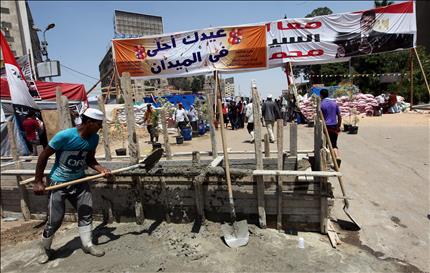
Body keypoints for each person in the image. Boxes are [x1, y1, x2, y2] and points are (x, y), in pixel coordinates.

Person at [33, 108, 112, 264]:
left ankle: (88, 244)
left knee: (86, 212)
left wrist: (101, 169)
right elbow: (43, 156)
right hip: (58, 182)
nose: (100, 127)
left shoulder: (94, 139)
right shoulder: (65, 136)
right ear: (89, 122)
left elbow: (90, 159)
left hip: (79, 181)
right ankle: (46, 249)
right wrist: (38, 181)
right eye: (98, 124)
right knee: (55, 220)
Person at [334, 9, 414, 58]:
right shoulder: (350, 40)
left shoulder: (382, 36)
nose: (367, 24)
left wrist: (372, 50)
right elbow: (342, 55)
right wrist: (340, 55)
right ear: (360, 22)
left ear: (374, 22)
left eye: (370, 22)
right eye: (365, 21)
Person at [320, 89, 342, 166]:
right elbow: (339, 116)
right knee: (334, 144)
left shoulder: (321, 104)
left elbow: (320, 117)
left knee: (325, 144)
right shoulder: (334, 103)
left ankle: (327, 160)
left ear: (321, 95)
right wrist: (338, 125)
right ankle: (337, 157)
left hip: (326, 127)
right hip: (334, 126)